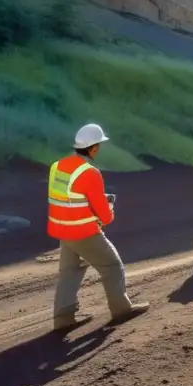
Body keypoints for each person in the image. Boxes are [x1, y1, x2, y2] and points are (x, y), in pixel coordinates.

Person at [48, 124, 150, 331]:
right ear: (93, 148)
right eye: (99, 146)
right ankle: (121, 310)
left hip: (62, 230)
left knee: (69, 271)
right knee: (112, 266)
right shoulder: (90, 173)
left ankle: (63, 318)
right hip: (83, 232)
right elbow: (105, 216)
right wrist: (108, 209)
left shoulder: (57, 166)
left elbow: (66, 197)